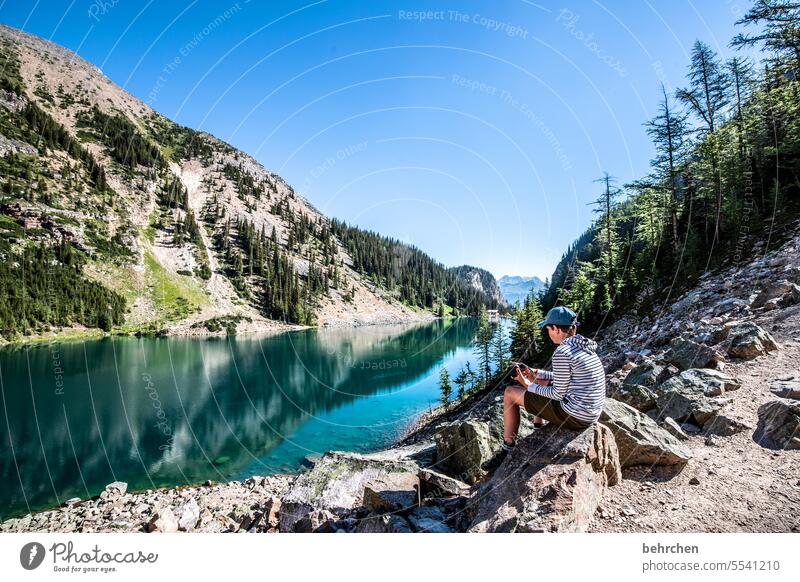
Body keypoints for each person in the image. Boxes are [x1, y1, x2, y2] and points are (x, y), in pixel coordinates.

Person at [481, 305, 606, 472]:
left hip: (575, 416)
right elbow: (566, 378)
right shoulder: (584, 347)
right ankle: (538, 428)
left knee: (510, 393)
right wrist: (535, 373)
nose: (548, 333)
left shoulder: (563, 352)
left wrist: (527, 384)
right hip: (590, 412)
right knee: (539, 381)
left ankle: (507, 449)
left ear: (555, 328)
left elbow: (557, 393)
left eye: (548, 329)